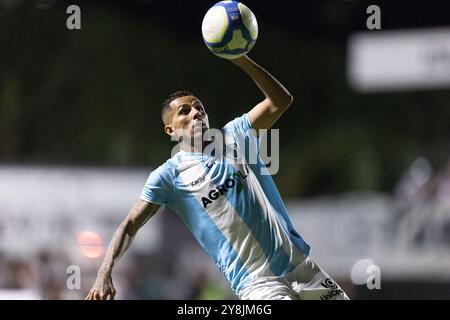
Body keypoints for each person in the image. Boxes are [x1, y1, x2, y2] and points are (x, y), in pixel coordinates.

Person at [85, 55, 349, 300]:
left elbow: (281, 100)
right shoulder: (168, 176)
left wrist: (241, 58)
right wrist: (104, 272)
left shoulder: (235, 135)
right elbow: (129, 225)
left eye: (198, 107)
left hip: (301, 266)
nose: (195, 113)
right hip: (258, 284)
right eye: (184, 111)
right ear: (170, 129)